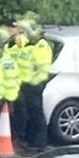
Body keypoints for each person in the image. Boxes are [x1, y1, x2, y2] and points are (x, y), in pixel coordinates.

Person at [14, 20, 53, 150]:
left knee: (37, 113)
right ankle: (31, 141)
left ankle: (40, 143)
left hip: (35, 83)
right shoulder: (30, 45)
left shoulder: (41, 45)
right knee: (29, 113)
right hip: (26, 83)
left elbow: (39, 65)